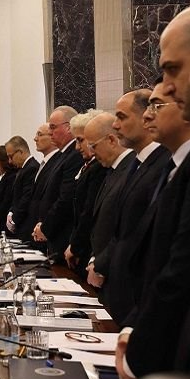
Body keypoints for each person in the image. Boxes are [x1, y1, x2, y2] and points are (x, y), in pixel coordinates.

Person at [116, 61, 190, 379]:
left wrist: (140, 351)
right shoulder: (171, 167)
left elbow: (178, 269)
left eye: (157, 106)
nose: (148, 115)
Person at [98, 88, 169, 325]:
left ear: (146, 117)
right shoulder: (136, 163)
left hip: (138, 296)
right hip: (121, 291)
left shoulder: (163, 163)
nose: (115, 125)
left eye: (121, 117)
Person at [84, 113, 134, 301]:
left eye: (93, 146)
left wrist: (100, 264)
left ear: (111, 140)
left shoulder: (130, 170)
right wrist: (94, 259)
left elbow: (125, 228)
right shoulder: (112, 171)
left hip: (120, 277)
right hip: (104, 270)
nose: (91, 152)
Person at [32, 106, 84, 260]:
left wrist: (46, 227)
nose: (50, 132)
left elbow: (65, 198)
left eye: (53, 127)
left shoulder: (74, 155)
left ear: (68, 128)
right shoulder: (63, 155)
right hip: (53, 234)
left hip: (63, 234)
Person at [65, 110, 107, 275]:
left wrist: (75, 246)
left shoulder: (99, 168)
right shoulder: (89, 166)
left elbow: (88, 211)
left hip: (89, 249)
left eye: (80, 140)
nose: (77, 147)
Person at [5, 135, 39, 241]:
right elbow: (16, 196)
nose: (9, 161)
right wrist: (10, 213)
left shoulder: (32, 168)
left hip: (26, 225)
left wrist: (14, 220)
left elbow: (26, 198)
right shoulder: (23, 168)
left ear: (20, 152)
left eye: (11, 156)